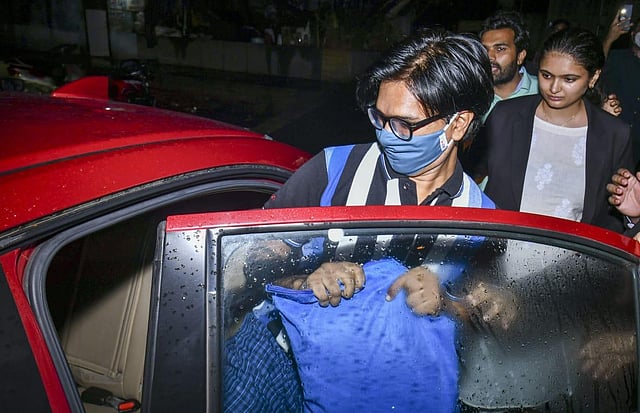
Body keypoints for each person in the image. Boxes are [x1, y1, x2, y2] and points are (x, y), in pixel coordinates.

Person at [223, 28, 499, 412]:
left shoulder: (481, 217)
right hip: (283, 364)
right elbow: (245, 262)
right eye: (379, 117)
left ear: (458, 124)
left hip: (394, 391)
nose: (385, 135)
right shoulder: (332, 171)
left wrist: (446, 304)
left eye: (403, 124)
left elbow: (487, 323)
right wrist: (303, 278)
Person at [483, 27, 633, 233]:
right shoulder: (505, 116)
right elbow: (471, 175)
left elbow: (614, 212)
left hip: (575, 251)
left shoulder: (613, 134)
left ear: (593, 77)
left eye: (569, 79)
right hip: (501, 245)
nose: (554, 88)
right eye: (546, 75)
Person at [603, 15, 640, 168]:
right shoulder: (617, 57)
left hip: (635, 144)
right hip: (609, 133)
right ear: (633, 34)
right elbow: (593, 69)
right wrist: (609, 39)